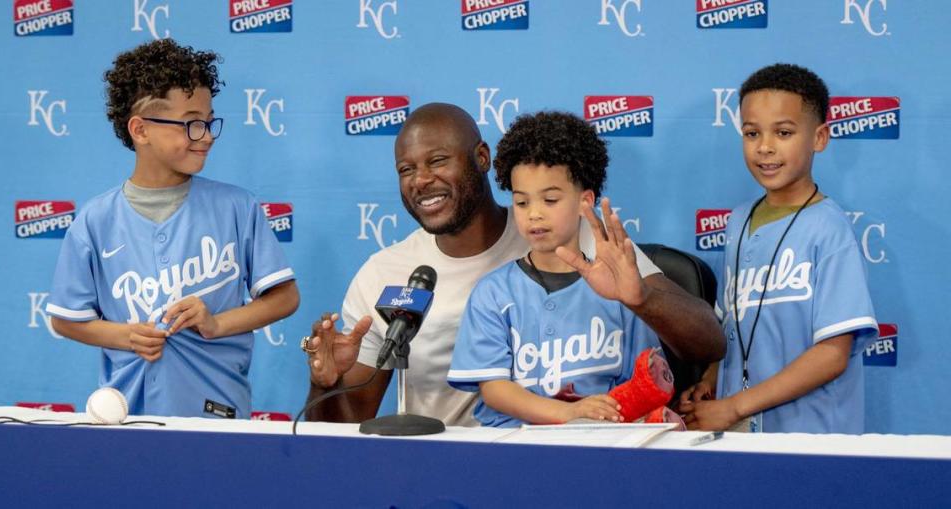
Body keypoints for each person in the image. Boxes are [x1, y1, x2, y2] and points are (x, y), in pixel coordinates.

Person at [304, 103, 723, 426]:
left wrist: (642, 298)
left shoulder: (568, 237)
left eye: (437, 162)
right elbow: (342, 427)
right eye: (405, 169)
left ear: (482, 158)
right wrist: (324, 383)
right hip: (447, 473)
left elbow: (707, 343)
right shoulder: (385, 273)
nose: (420, 180)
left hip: (586, 456)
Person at [46, 39, 299, 418]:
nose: (207, 134)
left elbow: (285, 297)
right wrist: (126, 336)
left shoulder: (237, 207)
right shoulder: (95, 220)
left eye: (209, 121)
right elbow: (66, 318)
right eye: (192, 123)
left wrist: (215, 323)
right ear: (141, 130)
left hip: (218, 409)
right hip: (128, 411)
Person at [677, 63, 878, 433]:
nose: (765, 147)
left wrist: (735, 405)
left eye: (783, 132)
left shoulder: (829, 229)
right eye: (752, 133)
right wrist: (711, 382)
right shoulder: (738, 221)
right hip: (744, 434)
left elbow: (832, 356)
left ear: (819, 138)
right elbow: (733, 329)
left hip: (813, 437)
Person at [446, 111, 666, 427]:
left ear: (584, 201)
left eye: (550, 200)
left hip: (600, 443)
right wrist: (568, 413)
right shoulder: (493, 292)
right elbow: (494, 389)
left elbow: (643, 380)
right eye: (522, 203)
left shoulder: (619, 289)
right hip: (511, 446)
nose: (534, 214)